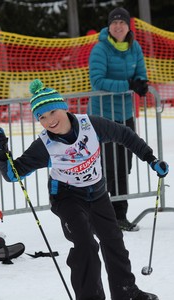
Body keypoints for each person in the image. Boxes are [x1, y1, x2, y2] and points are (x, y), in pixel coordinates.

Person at [0, 79, 168, 300]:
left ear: (64, 107)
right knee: (85, 246)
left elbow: (125, 135)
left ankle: (126, 292)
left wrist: (151, 159)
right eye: (42, 117)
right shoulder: (45, 145)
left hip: (97, 192)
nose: (49, 121)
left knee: (113, 241)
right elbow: (12, 173)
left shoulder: (90, 125)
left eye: (52, 112)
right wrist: (2, 151)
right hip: (67, 197)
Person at [88, 7, 149, 231]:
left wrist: (141, 83)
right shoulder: (100, 49)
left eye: (122, 22)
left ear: (128, 26)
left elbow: (140, 72)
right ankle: (102, 215)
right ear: (109, 26)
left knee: (125, 167)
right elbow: (97, 81)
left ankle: (120, 214)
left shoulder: (134, 47)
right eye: (114, 22)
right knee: (107, 168)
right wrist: (128, 85)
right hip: (102, 117)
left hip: (125, 116)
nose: (118, 26)